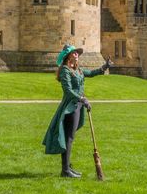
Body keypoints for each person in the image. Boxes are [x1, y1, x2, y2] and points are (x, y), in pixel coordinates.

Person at [43, 44, 112, 178]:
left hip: (77, 105)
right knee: (68, 138)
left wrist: (105, 66)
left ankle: (67, 167)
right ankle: (65, 170)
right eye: (74, 53)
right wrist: (82, 99)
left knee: (70, 137)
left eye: (77, 53)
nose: (76, 54)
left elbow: (91, 73)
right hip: (70, 107)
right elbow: (68, 91)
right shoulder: (65, 71)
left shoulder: (78, 70)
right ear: (68, 56)